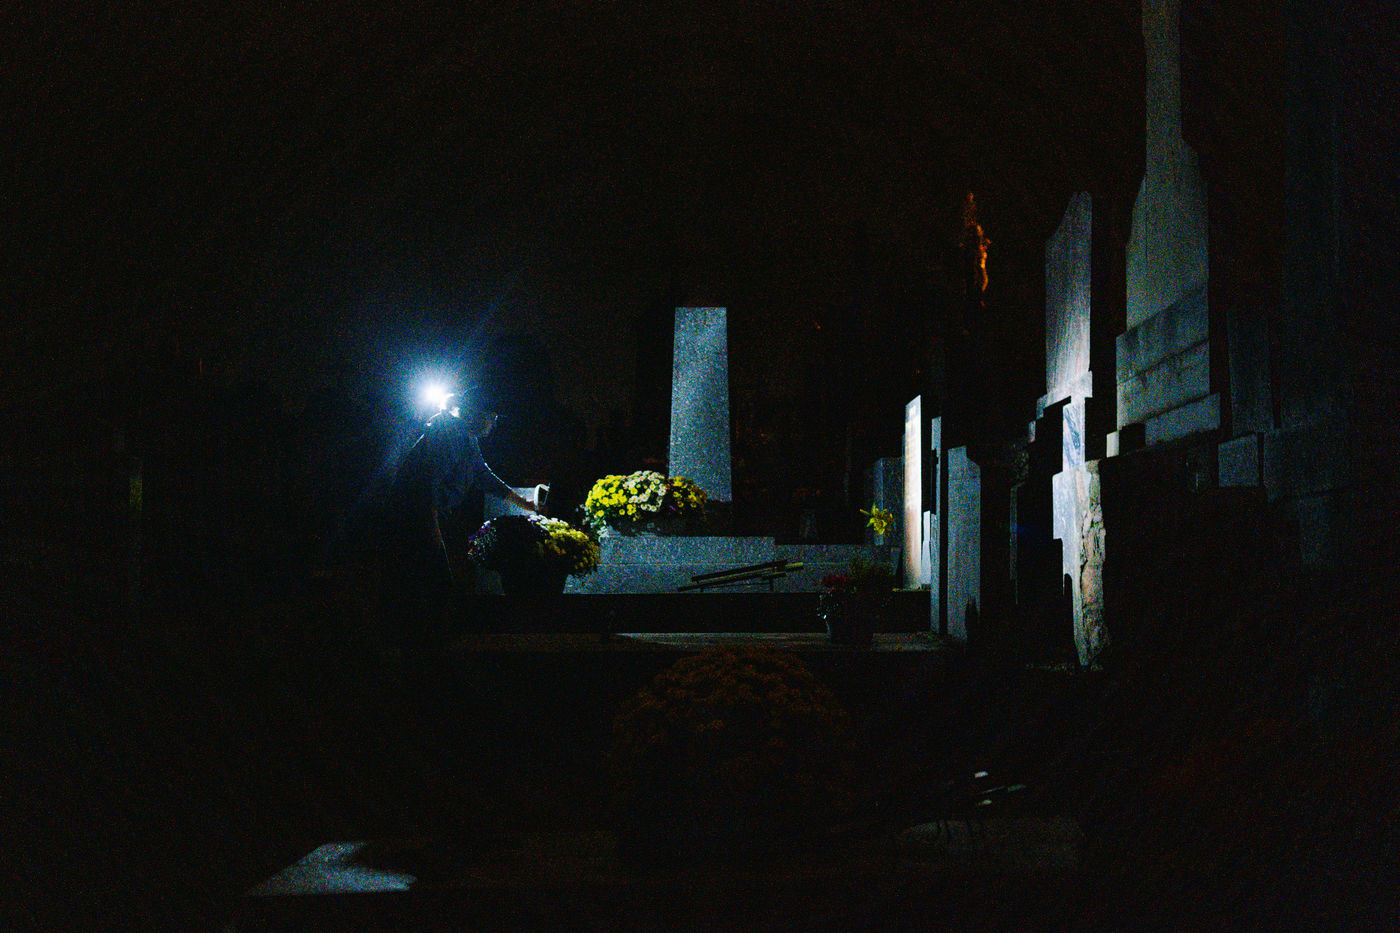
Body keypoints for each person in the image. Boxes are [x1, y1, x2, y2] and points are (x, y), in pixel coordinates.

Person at [378, 394, 537, 653]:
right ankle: (422, 647)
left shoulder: (467, 438)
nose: (493, 424)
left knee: (436, 580)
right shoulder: (447, 435)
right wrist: (433, 529)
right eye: (491, 417)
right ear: (476, 414)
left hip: (433, 514)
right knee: (431, 581)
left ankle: (428, 642)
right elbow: (426, 486)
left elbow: (482, 474)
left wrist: (523, 502)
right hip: (415, 516)